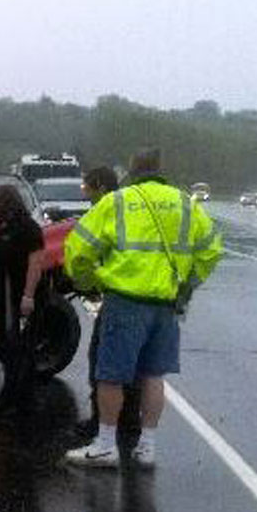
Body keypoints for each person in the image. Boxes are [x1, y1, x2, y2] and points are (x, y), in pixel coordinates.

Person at [62, 149, 222, 468]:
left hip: (125, 302)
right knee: (152, 375)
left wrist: (86, 281)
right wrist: (186, 285)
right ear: (160, 170)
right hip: (165, 304)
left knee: (110, 376)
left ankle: (106, 445)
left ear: (132, 171)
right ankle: (146, 448)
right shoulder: (185, 203)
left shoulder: (117, 202)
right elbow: (211, 251)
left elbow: (78, 249)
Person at [74, 166, 140, 443]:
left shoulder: (106, 209)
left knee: (102, 363)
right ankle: (130, 421)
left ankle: (102, 424)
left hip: (117, 296)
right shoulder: (133, 207)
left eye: (86, 187)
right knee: (135, 365)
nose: (84, 192)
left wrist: (87, 285)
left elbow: (83, 253)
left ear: (99, 186)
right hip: (144, 295)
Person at [0, 184, 46, 407]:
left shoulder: (28, 228)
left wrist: (28, 296)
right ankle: (17, 392)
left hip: (19, 299)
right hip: (3, 298)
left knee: (18, 347)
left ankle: (17, 396)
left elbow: (36, 263)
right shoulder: (3, 226)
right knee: (2, 343)